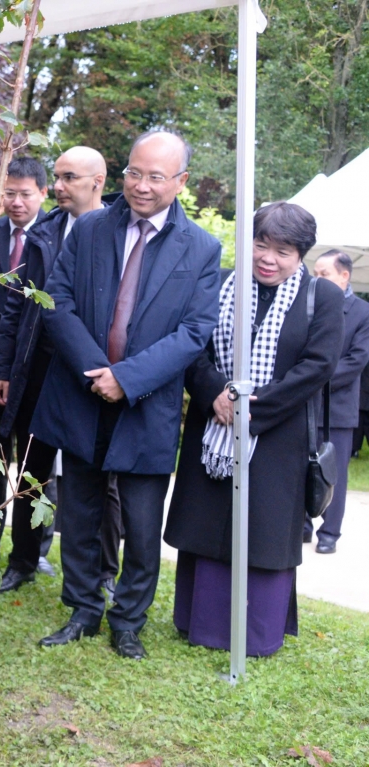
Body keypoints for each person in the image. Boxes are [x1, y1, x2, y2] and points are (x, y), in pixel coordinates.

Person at [32, 130, 221, 660]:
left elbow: (193, 332)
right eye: (134, 173)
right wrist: (97, 371)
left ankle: (129, 620)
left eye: (156, 176)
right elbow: (58, 301)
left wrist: (128, 378)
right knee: (81, 513)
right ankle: (83, 609)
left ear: (180, 182)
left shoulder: (202, 248)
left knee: (140, 524)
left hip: (147, 403)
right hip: (83, 392)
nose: (140, 186)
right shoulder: (91, 228)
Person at [164, 203, 341, 656]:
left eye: (282, 251)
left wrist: (252, 411)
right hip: (214, 428)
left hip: (278, 434)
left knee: (263, 532)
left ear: (301, 254)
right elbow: (193, 347)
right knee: (207, 523)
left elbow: (317, 366)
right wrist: (216, 395)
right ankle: (198, 622)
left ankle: (256, 632)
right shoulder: (221, 283)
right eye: (261, 244)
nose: (268, 257)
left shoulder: (321, 297)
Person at [0, 146, 107, 592]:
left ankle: (99, 574)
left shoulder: (116, 232)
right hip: (38, 367)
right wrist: (3, 368)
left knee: (96, 477)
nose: (57, 186)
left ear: (97, 181)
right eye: (55, 177)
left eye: (67, 178)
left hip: (94, 371)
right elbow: (18, 305)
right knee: (31, 471)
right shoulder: (45, 233)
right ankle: (22, 561)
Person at [0, 158, 48, 571]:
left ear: (43, 194)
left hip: (37, 372)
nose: (16, 202)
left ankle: (31, 552)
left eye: (25, 194)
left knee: (36, 464)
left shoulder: (55, 237)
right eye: (9, 194)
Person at [305, 249, 369, 553]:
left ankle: (329, 533)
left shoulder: (362, 312)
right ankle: (302, 524)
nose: (318, 279)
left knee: (334, 470)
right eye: (315, 273)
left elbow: (358, 359)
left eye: (324, 274)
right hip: (303, 402)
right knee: (299, 466)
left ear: (344, 276)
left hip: (338, 406)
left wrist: (316, 378)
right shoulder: (307, 304)